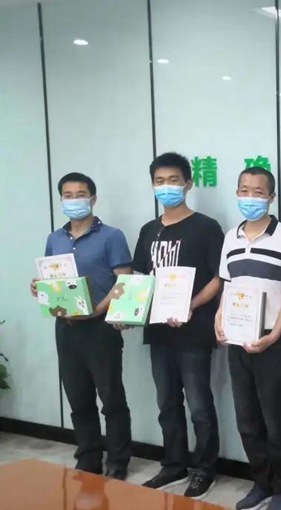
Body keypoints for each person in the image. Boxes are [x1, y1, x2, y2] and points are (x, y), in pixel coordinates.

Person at [132, 152, 224, 500]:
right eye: (160, 181)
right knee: (167, 403)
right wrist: (127, 312)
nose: (166, 187)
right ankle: (173, 464)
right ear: (152, 185)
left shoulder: (206, 227)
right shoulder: (148, 230)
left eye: (173, 180)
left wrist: (192, 305)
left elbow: (219, 277)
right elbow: (140, 279)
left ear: (188, 183)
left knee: (199, 406)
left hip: (194, 330)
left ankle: (204, 469)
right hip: (158, 331)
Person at [29, 173, 133, 479]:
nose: (74, 200)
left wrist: (97, 310)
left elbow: (124, 281)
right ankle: (88, 458)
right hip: (66, 328)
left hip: (100, 328)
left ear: (93, 199)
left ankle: (118, 460)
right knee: (78, 397)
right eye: (68, 195)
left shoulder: (111, 236)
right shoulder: (55, 239)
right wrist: (39, 287)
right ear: (61, 199)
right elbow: (51, 281)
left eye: (80, 194)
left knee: (111, 398)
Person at [215, 167, 281, 510]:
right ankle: (261, 483)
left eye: (258, 192)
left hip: (273, 341)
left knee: (276, 418)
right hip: (238, 340)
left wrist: (276, 333)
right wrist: (219, 318)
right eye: (244, 190)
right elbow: (228, 285)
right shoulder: (230, 237)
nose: (249, 197)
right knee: (247, 417)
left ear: (271, 197)